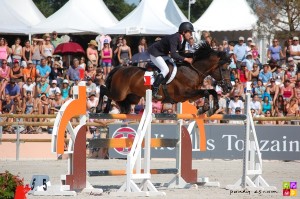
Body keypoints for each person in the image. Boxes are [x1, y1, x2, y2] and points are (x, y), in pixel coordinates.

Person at [147, 22, 194, 99]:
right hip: (155, 53)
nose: (191, 35)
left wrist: (192, 56)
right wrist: (186, 59)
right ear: (184, 32)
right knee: (165, 69)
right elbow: (174, 55)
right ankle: (154, 90)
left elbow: (181, 53)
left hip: (163, 54)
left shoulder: (183, 39)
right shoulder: (174, 38)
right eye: (190, 32)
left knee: (173, 65)